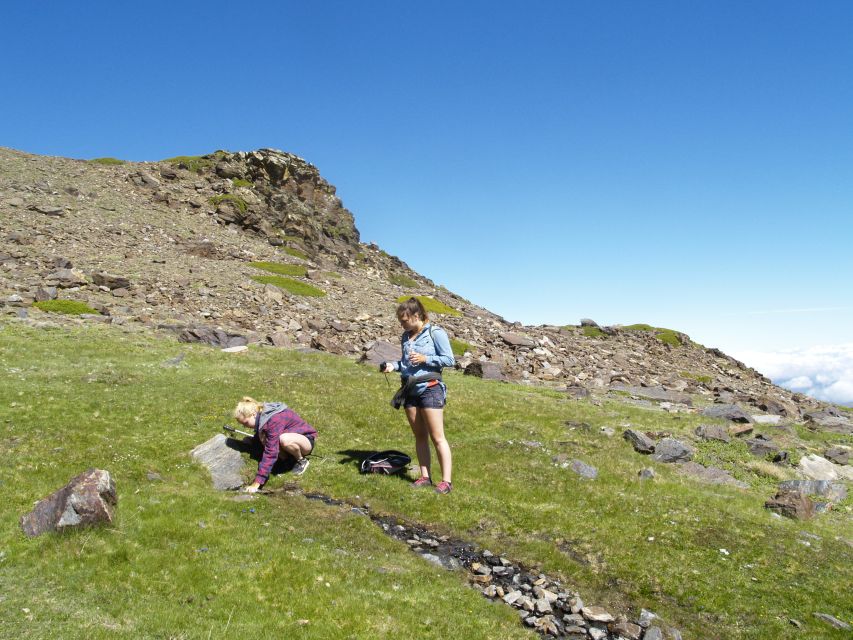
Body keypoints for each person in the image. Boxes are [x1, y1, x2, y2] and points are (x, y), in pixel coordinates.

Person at [381, 297, 456, 494]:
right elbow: (405, 363)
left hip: (430, 388)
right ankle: (425, 477)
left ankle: (446, 482)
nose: (402, 324)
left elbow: (449, 359)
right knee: (420, 436)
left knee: (437, 436)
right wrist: (393, 366)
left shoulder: (435, 333)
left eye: (404, 320)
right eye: (400, 321)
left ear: (417, 316)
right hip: (409, 390)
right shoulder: (406, 337)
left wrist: (426, 358)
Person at [234, 396, 318, 493]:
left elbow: (271, 451)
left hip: (305, 441)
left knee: (284, 440)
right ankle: (286, 461)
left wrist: (257, 482)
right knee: (266, 438)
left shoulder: (274, 419)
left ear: (253, 414)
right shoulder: (263, 417)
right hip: (290, 439)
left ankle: (301, 460)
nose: (245, 427)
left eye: (245, 423)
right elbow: (265, 436)